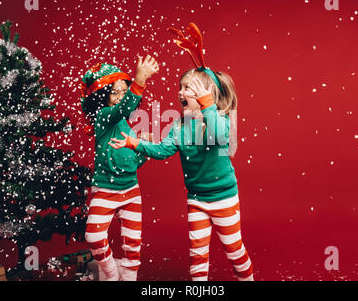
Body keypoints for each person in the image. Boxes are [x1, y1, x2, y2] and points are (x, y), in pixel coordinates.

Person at [109, 23, 254, 281]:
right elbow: (163, 150)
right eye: (182, 87)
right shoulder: (180, 126)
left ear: (210, 97)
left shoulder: (222, 119)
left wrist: (208, 105)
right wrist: (135, 144)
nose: (181, 92)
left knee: (234, 250)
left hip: (224, 199)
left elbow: (220, 138)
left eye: (190, 89)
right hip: (197, 199)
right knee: (197, 254)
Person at [81, 55, 159, 281]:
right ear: (101, 97)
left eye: (124, 91)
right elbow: (123, 108)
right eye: (115, 92)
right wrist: (139, 81)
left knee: (133, 245)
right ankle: (112, 275)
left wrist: (144, 147)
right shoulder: (103, 117)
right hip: (105, 190)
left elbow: (131, 163)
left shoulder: (125, 126)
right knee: (94, 236)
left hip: (131, 191)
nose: (121, 97)